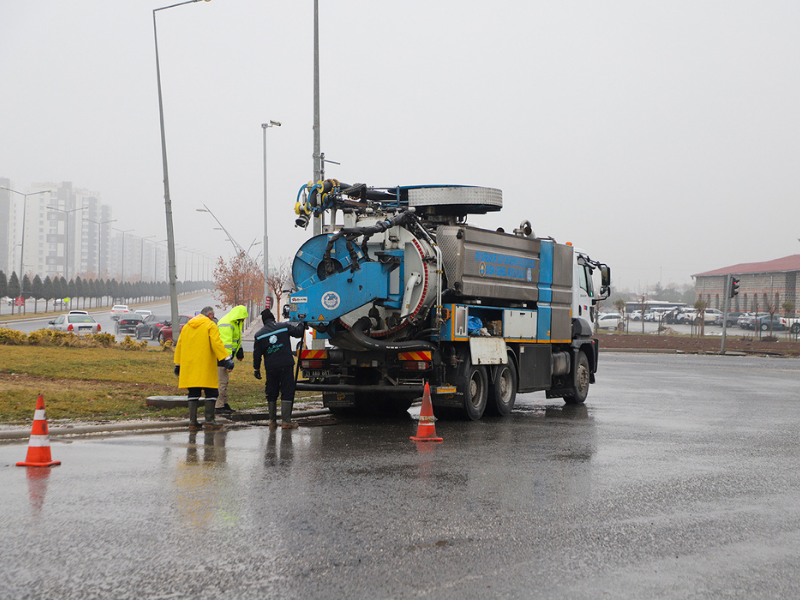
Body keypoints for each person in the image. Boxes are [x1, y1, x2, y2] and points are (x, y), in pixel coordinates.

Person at [173, 306, 234, 430]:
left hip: (190, 366)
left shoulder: (187, 327)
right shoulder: (210, 325)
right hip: (205, 365)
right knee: (211, 392)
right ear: (210, 315)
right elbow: (216, 343)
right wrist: (226, 358)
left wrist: (178, 364)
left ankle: (192, 422)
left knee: (193, 393)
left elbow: (179, 345)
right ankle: (209, 420)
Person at [253, 308, 305, 429]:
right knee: (287, 390)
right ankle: (286, 421)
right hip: (286, 365)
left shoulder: (259, 335)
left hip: (271, 367)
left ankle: (272, 422)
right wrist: (302, 322)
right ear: (273, 318)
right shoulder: (283, 326)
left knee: (271, 392)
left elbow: (257, 355)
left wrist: (256, 369)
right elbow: (298, 333)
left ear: (264, 321)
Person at [215, 305, 248, 415]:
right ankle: (219, 406)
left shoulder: (235, 322)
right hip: (222, 357)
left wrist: (239, 350)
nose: (243, 320)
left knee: (224, 381)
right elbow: (225, 344)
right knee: (222, 382)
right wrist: (227, 359)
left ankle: (224, 404)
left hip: (224, 357)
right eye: (242, 318)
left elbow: (236, 339)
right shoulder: (227, 324)